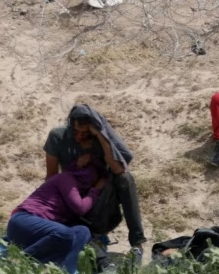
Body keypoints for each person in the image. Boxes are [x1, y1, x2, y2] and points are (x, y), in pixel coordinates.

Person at [44, 104, 146, 264]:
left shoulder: (101, 139)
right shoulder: (58, 136)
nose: (78, 136)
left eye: (84, 133)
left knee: (126, 179)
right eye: (76, 131)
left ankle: (137, 245)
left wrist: (100, 136)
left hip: (102, 204)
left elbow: (120, 170)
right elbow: (51, 178)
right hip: (74, 201)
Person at [8, 153, 105, 271]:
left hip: (42, 234)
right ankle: (18, 262)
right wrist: (95, 190)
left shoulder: (80, 191)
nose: (92, 179)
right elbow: (80, 208)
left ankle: (66, 270)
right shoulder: (66, 178)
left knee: (83, 232)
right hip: (23, 220)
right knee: (65, 233)